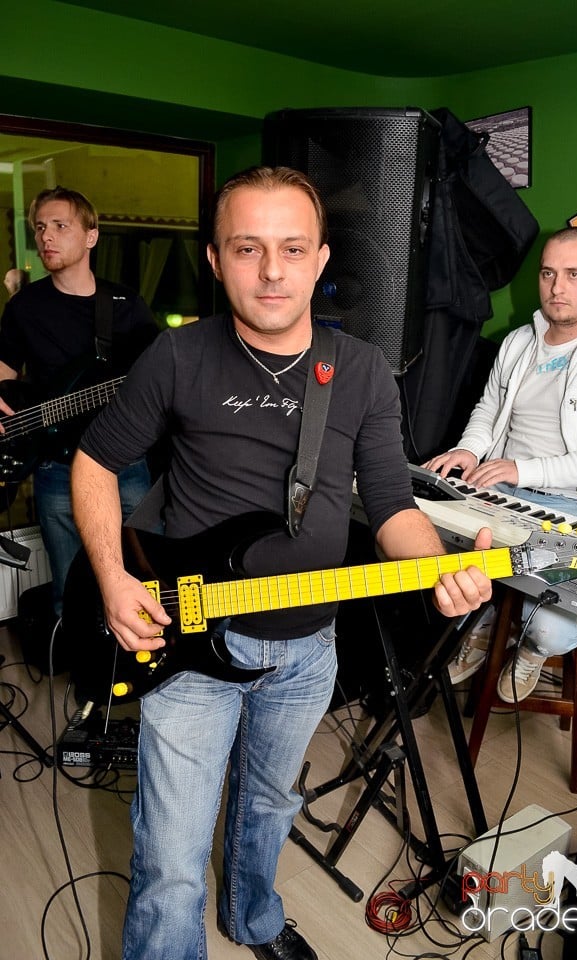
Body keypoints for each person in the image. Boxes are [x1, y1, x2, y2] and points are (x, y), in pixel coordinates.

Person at [70, 165, 493, 960]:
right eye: (247, 248)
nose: (272, 271)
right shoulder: (176, 356)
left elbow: (393, 506)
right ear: (215, 259)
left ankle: (254, 920)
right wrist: (115, 579)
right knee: (170, 855)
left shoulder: (360, 369)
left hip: (307, 648)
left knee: (268, 806)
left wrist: (440, 566)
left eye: (293, 248)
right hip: (187, 639)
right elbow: (95, 462)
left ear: (321, 259)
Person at [425, 226, 577, 701]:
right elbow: (488, 409)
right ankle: (480, 627)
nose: (557, 287)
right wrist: (470, 450)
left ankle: (531, 648)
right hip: (501, 489)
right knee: (444, 570)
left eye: (574, 274)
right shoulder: (519, 341)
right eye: (548, 273)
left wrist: (523, 470)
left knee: (550, 631)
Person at [0, 186, 157, 615]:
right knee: (69, 592)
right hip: (55, 466)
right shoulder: (24, 307)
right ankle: (76, 659)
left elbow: (161, 377)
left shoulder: (124, 304)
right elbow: (5, 375)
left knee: (149, 576)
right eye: (40, 227)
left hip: (124, 464)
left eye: (60, 226)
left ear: (91, 235)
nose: (46, 237)